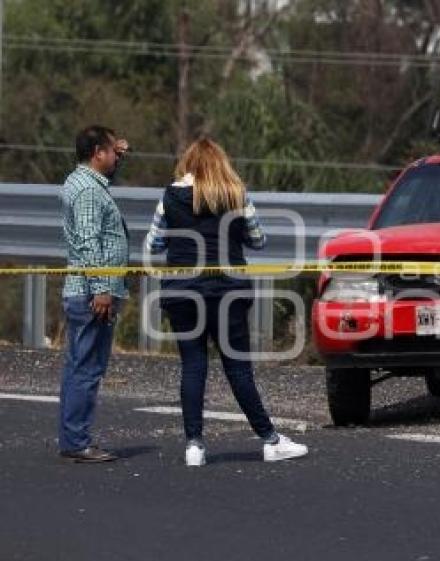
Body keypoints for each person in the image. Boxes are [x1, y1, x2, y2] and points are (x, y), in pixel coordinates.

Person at [144, 137, 307, 466]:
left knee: (193, 366)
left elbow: (153, 245)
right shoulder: (235, 194)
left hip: (181, 290)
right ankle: (269, 440)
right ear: (221, 163)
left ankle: (194, 445)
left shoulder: (170, 196)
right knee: (237, 369)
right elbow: (258, 240)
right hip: (227, 290)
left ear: (188, 162)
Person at [59, 125, 130, 463]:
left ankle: (73, 437)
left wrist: (120, 159)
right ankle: (76, 441)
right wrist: (102, 288)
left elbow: (101, 196)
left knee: (80, 366)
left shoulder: (83, 182)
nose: (116, 155)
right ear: (97, 153)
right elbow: (89, 241)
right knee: (86, 368)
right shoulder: (88, 191)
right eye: (112, 151)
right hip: (91, 295)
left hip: (84, 290)